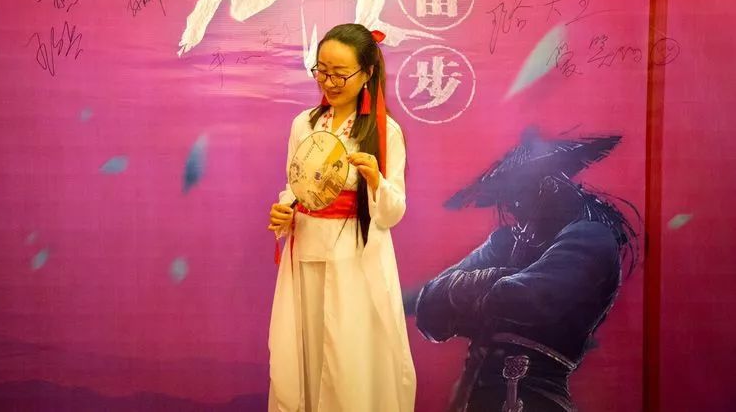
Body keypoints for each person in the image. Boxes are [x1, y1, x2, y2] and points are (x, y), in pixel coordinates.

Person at [414, 129, 639, 412]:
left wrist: (473, 291)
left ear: (549, 186)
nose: (514, 211)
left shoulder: (591, 238)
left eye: (518, 197)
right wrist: (487, 283)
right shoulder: (505, 242)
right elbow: (429, 308)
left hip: (534, 400)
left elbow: (523, 299)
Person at [267, 23, 415, 412]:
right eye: (322, 71)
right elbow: (295, 187)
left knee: (349, 357)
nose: (329, 82)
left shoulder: (385, 131)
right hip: (306, 252)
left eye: (340, 74)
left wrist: (376, 180)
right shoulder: (304, 124)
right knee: (306, 350)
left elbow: (393, 211)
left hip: (355, 258)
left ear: (367, 73)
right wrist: (284, 212)